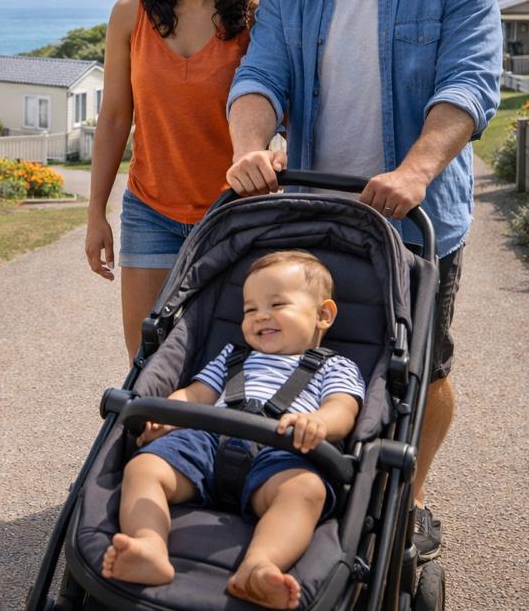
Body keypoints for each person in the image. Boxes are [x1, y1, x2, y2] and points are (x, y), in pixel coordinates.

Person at [223, 0, 502, 563]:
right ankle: (302, 482)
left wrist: (414, 171)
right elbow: (259, 78)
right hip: (316, 214)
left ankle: (407, 495)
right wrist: (249, 148)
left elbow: (469, 85)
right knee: (320, 355)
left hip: (416, 221)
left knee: (422, 366)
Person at [102, 251, 364, 610]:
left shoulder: (335, 367)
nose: (261, 316)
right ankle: (149, 544)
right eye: (250, 309)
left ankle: (260, 565)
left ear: (323, 315)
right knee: (143, 468)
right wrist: (169, 413)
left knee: (306, 491)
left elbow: (343, 409)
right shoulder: (233, 356)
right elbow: (197, 394)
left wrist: (320, 422)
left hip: (281, 454)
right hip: (206, 444)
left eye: (276, 304)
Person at [86, 0, 262, 361]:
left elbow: (278, 107)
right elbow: (116, 117)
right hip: (150, 212)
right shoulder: (130, 13)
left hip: (236, 212)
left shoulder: (255, 14)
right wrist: (96, 211)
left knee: (226, 363)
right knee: (146, 363)